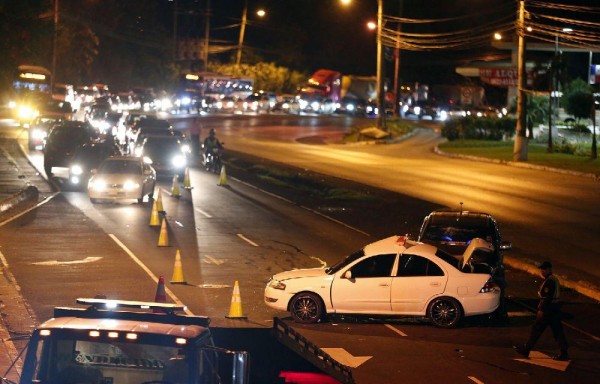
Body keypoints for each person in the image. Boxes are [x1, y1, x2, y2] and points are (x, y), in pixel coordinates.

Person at [514, 261, 569, 361]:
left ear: (549, 269)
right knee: (557, 331)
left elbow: (547, 297)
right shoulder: (553, 279)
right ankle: (564, 352)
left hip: (548, 310)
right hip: (554, 309)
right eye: (542, 270)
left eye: (544, 269)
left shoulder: (550, 281)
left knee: (537, 329)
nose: (542, 271)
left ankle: (527, 349)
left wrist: (541, 310)